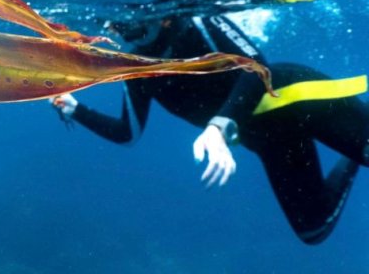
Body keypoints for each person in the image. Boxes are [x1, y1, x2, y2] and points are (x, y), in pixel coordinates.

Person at [50, 14, 369, 244]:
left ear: (161, 18)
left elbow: (255, 65)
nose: (124, 34)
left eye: (129, 24)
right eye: (117, 28)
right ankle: (352, 158)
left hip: (302, 97)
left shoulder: (200, 20)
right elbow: (127, 132)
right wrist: (75, 109)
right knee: (311, 229)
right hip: (268, 138)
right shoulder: (137, 70)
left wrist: (218, 127)